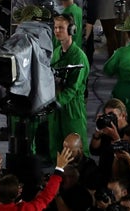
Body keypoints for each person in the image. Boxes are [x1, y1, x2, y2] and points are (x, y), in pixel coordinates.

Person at [47, 14, 90, 162]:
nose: (57, 31)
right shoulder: (58, 52)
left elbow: (72, 88)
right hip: (57, 104)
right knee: (56, 143)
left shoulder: (78, 57)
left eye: (61, 28)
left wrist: (55, 102)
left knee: (75, 145)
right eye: (55, 27)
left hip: (72, 107)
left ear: (71, 30)